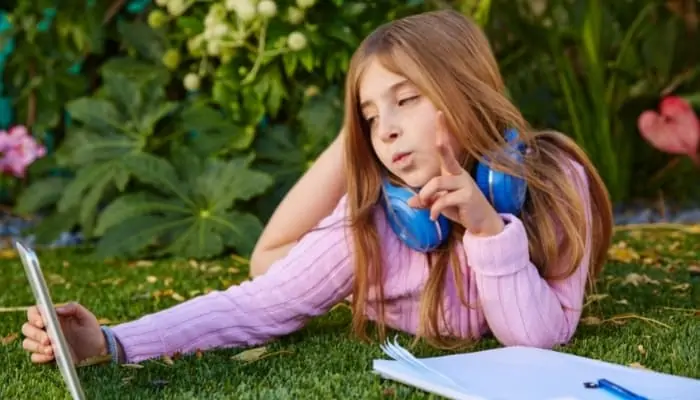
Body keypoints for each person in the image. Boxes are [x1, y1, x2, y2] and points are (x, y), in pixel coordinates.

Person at [20, 9, 613, 366]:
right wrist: (111, 342)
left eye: (406, 99)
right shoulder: (373, 229)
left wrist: (488, 230)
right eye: (372, 117)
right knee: (269, 268)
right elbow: (253, 305)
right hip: (332, 268)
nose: (390, 128)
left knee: (269, 262)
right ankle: (343, 135)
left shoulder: (557, 180)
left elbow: (537, 337)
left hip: (474, 216)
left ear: (469, 90)